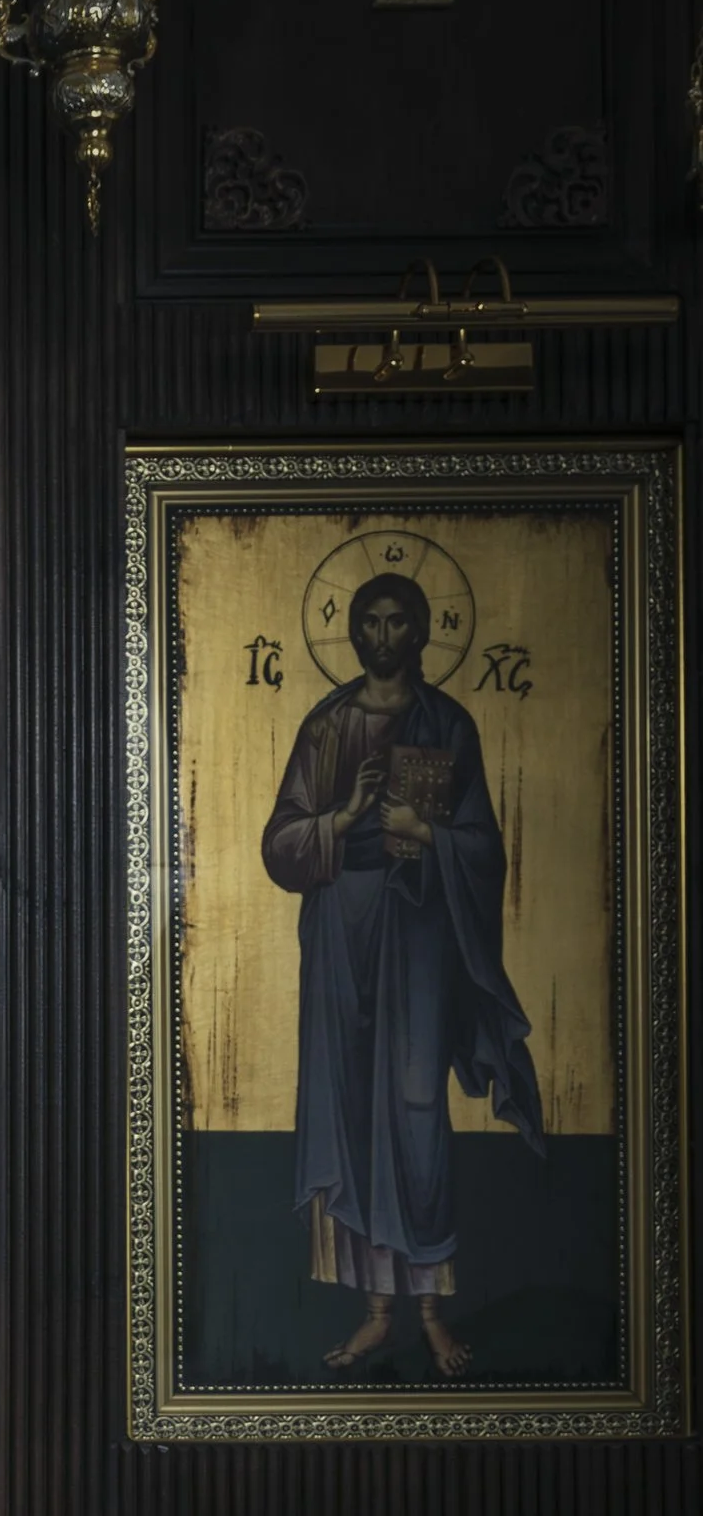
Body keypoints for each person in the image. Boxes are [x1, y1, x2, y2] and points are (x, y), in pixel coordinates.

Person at [260, 568, 543, 1378]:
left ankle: (430, 1310)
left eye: (398, 622)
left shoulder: (449, 724)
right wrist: (342, 819)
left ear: (421, 633)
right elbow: (280, 843)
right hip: (342, 934)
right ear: (353, 634)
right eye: (370, 622)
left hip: (419, 932)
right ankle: (378, 1312)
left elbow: (486, 846)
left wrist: (427, 829)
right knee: (352, 1111)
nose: (384, 636)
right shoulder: (326, 726)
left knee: (418, 1109)